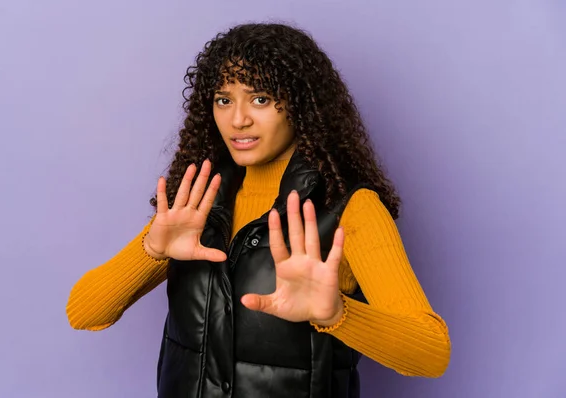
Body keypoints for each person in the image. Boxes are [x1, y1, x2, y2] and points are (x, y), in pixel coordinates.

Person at [66, 22, 451, 398]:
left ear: (301, 106)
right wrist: (151, 250)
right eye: (223, 100)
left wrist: (337, 314)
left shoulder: (351, 208)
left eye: (261, 98)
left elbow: (431, 354)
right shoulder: (196, 203)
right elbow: (84, 313)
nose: (238, 119)